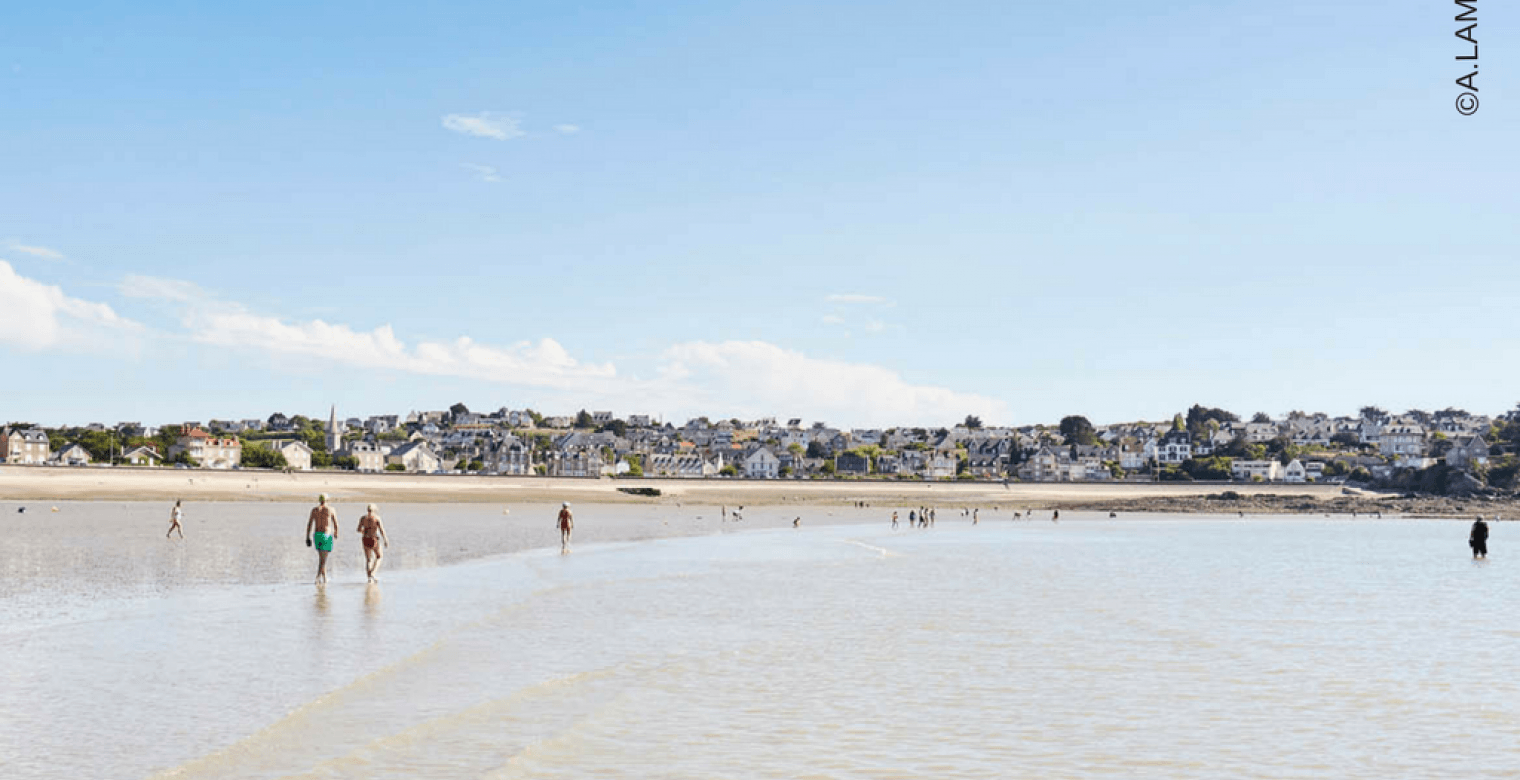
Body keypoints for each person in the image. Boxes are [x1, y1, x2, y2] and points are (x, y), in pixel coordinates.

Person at [305, 494, 338, 584]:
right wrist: (336, 533)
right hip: (326, 535)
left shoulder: (314, 510)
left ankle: (325, 578)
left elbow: (309, 524)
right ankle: (318, 577)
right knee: (323, 559)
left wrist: (307, 537)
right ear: (327, 500)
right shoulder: (331, 510)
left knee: (322, 557)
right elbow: (335, 523)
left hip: (317, 535)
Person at [356, 504, 389, 582]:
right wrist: (385, 539)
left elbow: (358, 529)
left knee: (368, 559)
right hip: (373, 538)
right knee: (379, 556)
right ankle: (373, 573)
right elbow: (381, 530)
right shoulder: (376, 518)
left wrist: (364, 531)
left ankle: (369, 578)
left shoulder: (363, 518)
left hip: (365, 539)